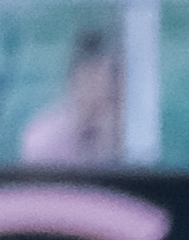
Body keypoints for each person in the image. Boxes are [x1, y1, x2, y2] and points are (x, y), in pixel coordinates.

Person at [19, 28, 120, 164]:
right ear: (76, 75)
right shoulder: (44, 135)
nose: (105, 83)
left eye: (114, 74)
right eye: (91, 74)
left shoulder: (128, 129)